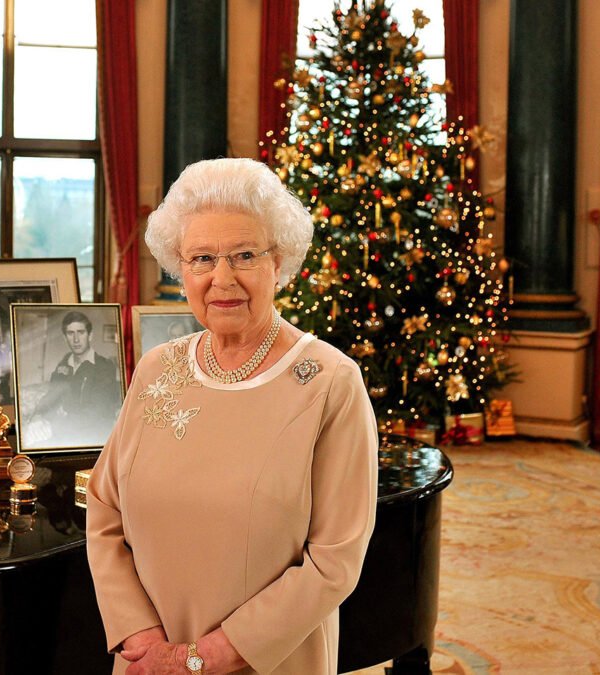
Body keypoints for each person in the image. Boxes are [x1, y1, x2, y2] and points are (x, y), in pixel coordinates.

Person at [86, 157, 378, 674]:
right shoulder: (157, 368)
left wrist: (202, 659)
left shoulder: (331, 382)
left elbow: (335, 562)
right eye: (201, 258)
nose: (222, 278)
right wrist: (144, 640)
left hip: (266, 661)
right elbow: (104, 509)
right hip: (146, 663)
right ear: (181, 268)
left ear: (279, 262)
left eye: (244, 254)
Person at [31, 310, 122, 447]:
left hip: (94, 435)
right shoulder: (64, 363)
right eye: (70, 333)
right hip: (66, 430)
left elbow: (96, 411)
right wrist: (38, 415)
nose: (76, 339)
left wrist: (54, 425)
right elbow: (51, 395)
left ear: (90, 335)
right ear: (65, 337)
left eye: (81, 332)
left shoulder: (104, 366)